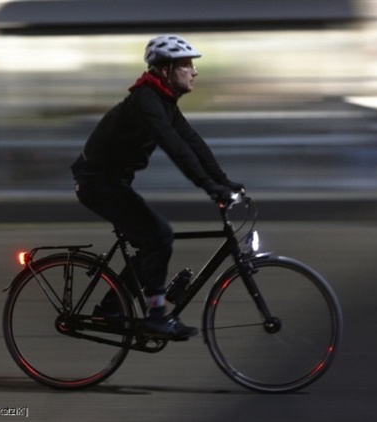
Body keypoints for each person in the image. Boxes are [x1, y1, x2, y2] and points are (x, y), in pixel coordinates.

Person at [71, 34, 244, 340]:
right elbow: (175, 148)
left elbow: (193, 143)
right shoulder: (146, 102)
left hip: (112, 181)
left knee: (150, 241)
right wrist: (209, 187)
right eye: (187, 65)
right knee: (159, 235)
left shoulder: (163, 101)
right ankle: (155, 316)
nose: (195, 71)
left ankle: (110, 309)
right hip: (97, 183)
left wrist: (223, 181)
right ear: (165, 70)